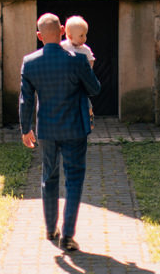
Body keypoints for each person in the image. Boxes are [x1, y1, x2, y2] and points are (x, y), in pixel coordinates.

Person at [19, 13, 101, 252]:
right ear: (63, 29)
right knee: (74, 180)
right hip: (75, 128)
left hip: (46, 130)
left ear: (39, 36)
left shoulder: (30, 62)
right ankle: (67, 235)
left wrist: (26, 129)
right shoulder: (77, 60)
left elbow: (25, 100)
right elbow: (94, 89)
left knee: (48, 177)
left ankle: (49, 229)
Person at [60, 15, 95, 128]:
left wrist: (87, 73)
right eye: (81, 35)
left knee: (86, 101)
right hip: (66, 82)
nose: (84, 38)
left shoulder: (85, 50)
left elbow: (91, 61)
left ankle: (89, 117)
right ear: (69, 36)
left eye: (85, 35)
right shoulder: (63, 46)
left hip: (80, 82)